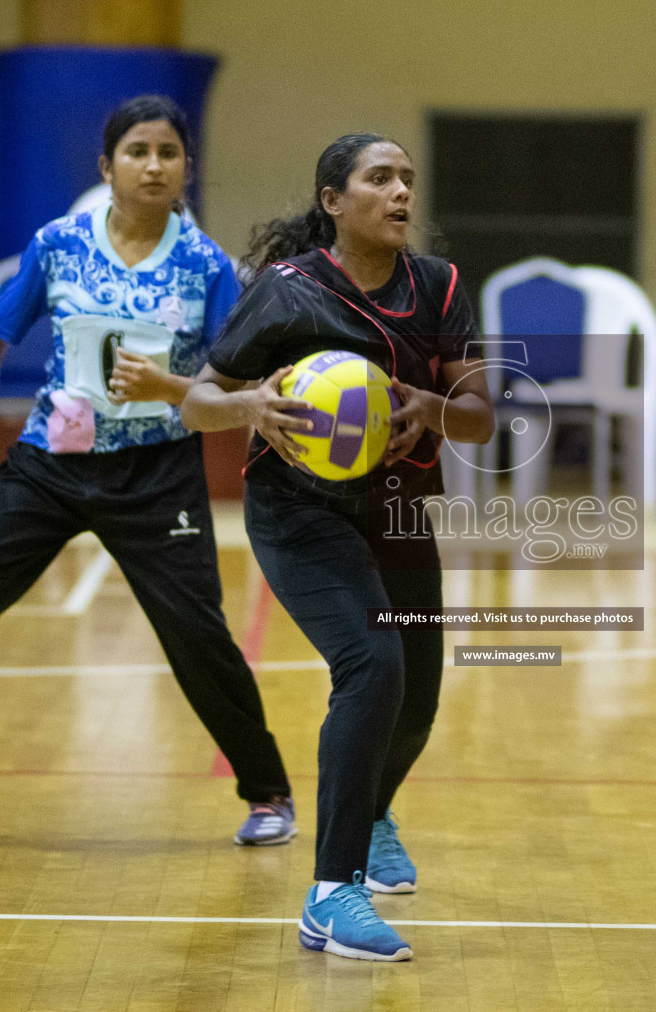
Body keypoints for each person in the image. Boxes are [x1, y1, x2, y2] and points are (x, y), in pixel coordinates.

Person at [0, 94, 297, 849]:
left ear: (186, 169)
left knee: (197, 634)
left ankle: (268, 791)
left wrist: (167, 389)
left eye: (168, 153)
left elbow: (232, 387)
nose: (153, 165)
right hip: (51, 463)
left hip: (156, 473)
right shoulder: (59, 245)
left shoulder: (207, 266)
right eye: (137, 151)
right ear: (106, 166)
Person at [182, 132, 493, 961]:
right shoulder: (286, 292)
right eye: (380, 179)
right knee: (372, 663)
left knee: (416, 702)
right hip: (297, 511)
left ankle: (375, 808)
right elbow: (197, 401)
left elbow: (481, 417)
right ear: (332, 201)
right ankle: (332, 894)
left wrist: (428, 405)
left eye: (407, 181)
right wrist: (250, 404)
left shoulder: (441, 285)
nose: (401, 195)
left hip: (395, 509)